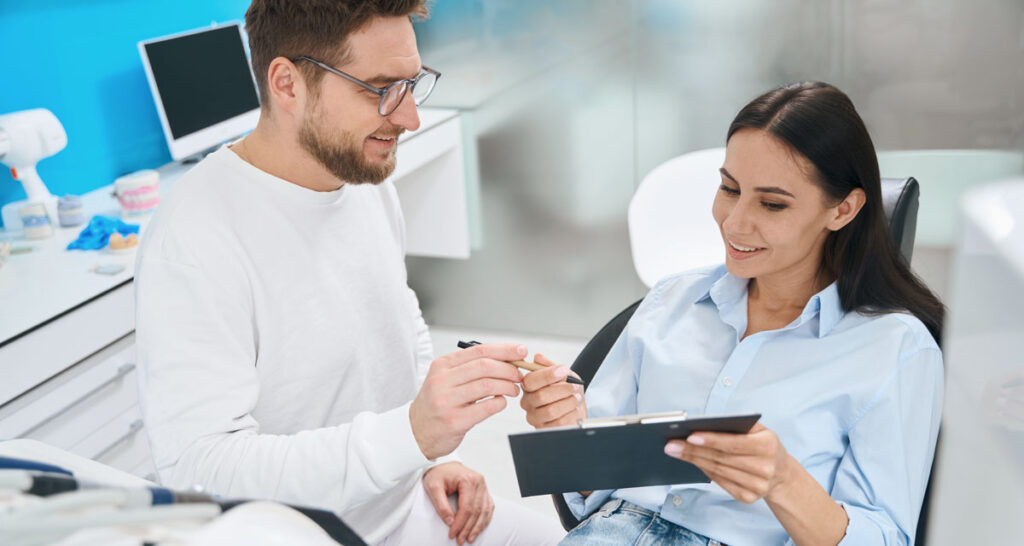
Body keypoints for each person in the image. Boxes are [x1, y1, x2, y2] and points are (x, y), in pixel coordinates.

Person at [134, 1, 563, 544]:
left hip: (406, 508)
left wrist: (423, 460)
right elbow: (203, 472)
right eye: (379, 88)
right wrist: (409, 437)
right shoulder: (196, 238)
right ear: (287, 84)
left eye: (412, 83)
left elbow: (398, 319)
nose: (409, 117)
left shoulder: (362, 176)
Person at [520, 82, 944, 545]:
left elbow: (885, 536)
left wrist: (784, 481)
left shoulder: (895, 348)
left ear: (843, 209)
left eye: (772, 204)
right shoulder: (672, 302)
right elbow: (591, 495)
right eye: (729, 188)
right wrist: (563, 432)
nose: (735, 222)